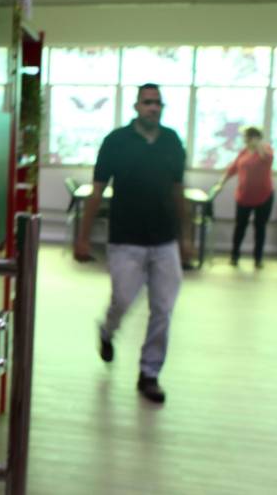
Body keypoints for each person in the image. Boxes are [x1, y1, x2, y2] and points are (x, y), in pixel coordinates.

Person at [74, 83, 190, 404]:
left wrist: (186, 238)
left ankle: (149, 373)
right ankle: (107, 331)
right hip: (126, 240)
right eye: (148, 102)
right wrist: (83, 239)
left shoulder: (171, 141)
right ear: (136, 106)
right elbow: (96, 192)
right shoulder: (115, 142)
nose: (154, 108)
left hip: (165, 240)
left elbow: (179, 190)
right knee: (123, 300)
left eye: (158, 103)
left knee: (163, 309)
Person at [216, 126, 274, 268]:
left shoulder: (266, 149)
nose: (244, 140)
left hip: (264, 196)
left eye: (246, 137)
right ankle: (234, 256)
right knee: (240, 227)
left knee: (260, 228)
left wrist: (258, 145)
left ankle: (258, 259)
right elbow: (232, 168)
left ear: (254, 137)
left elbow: (267, 159)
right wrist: (221, 183)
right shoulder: (243, 152)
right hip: (244, 196)